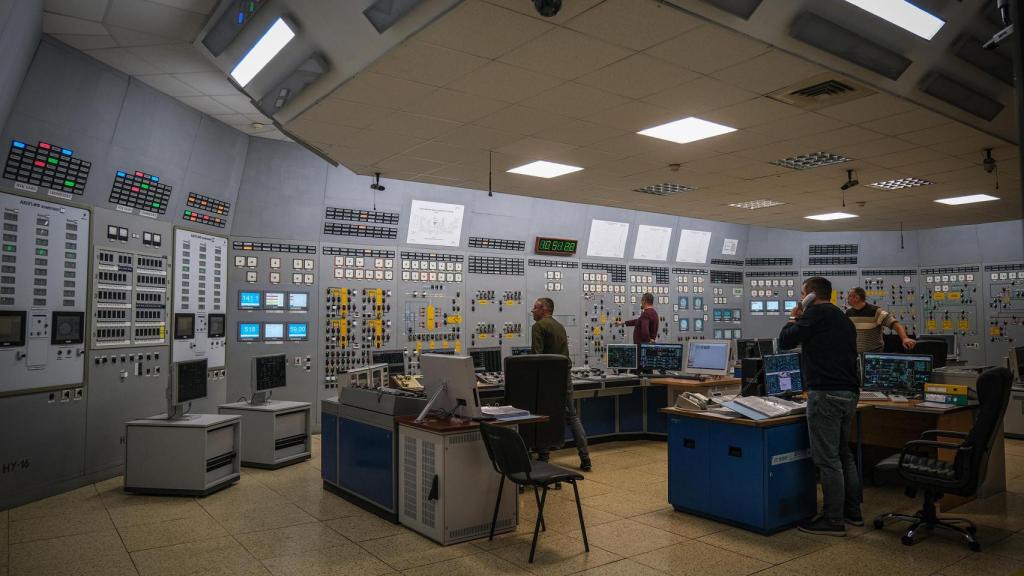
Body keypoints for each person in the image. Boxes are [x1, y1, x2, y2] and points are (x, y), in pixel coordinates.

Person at [778, 277, 862, 536]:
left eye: (802, 293)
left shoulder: (814, 314)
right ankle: (852, 512)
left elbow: (785, 341)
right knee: (843, 454)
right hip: (849, 393)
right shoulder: (841, 316)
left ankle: (833, 520)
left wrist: (794, 315)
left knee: (827, 460)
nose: (800, 297)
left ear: (811, 295)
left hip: (826, 393)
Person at [531, 297, 591, 471]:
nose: (532, 311)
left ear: (544, 309)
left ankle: (543, 458)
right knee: (572, 416)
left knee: (542, 416)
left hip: (547, 378)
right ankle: (585, 458)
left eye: (535, 308)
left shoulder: (539, 326)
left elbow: (537, 356)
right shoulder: (559, 326)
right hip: (564, 375)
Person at [846, 287, 916, 353]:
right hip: (855, 355)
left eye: (849, 296)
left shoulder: (876, 311)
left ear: (857, 298)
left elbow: (895, 324)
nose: (847, 298)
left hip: (873, 355)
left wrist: (905, 338)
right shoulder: (848, 313)